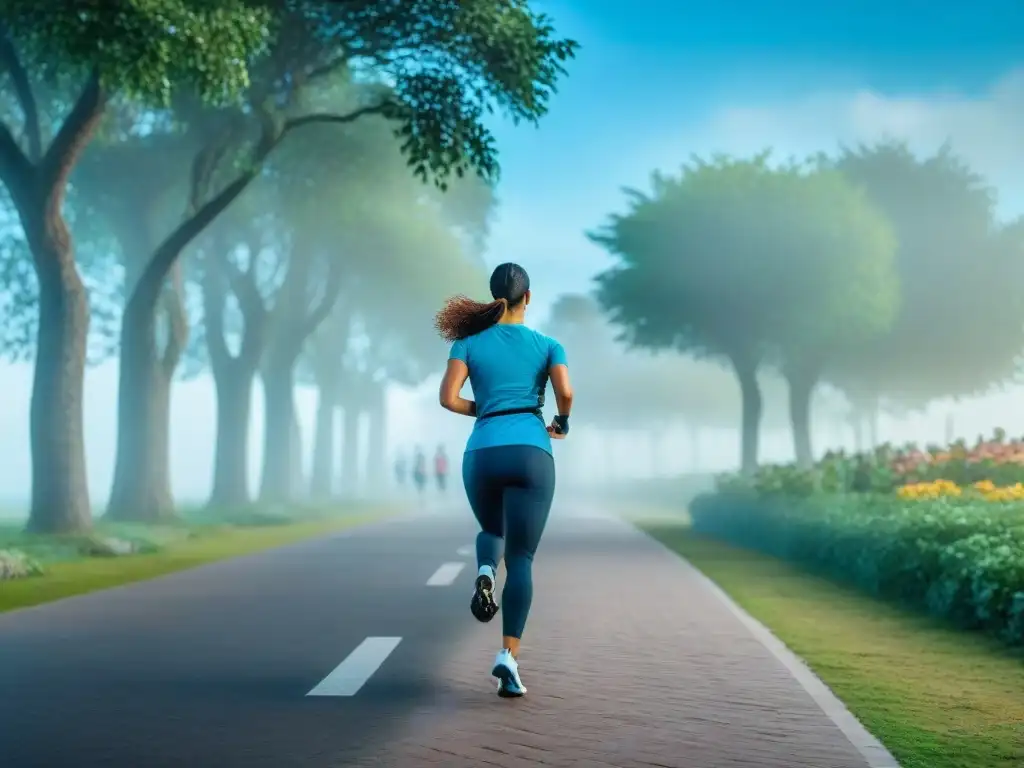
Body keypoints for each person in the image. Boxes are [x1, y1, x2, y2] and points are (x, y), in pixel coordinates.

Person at [436, 262, 573, 698]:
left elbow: (447, 398)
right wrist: (562, 422)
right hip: (532, 451)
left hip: (481, 453)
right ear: (527, 298)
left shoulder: (467, 342)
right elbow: (566, 393)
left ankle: (482, 571)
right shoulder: (549, 345)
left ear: (493, 296)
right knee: (523, 558)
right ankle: (507, 658)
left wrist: (488, 409)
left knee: (491, 530)